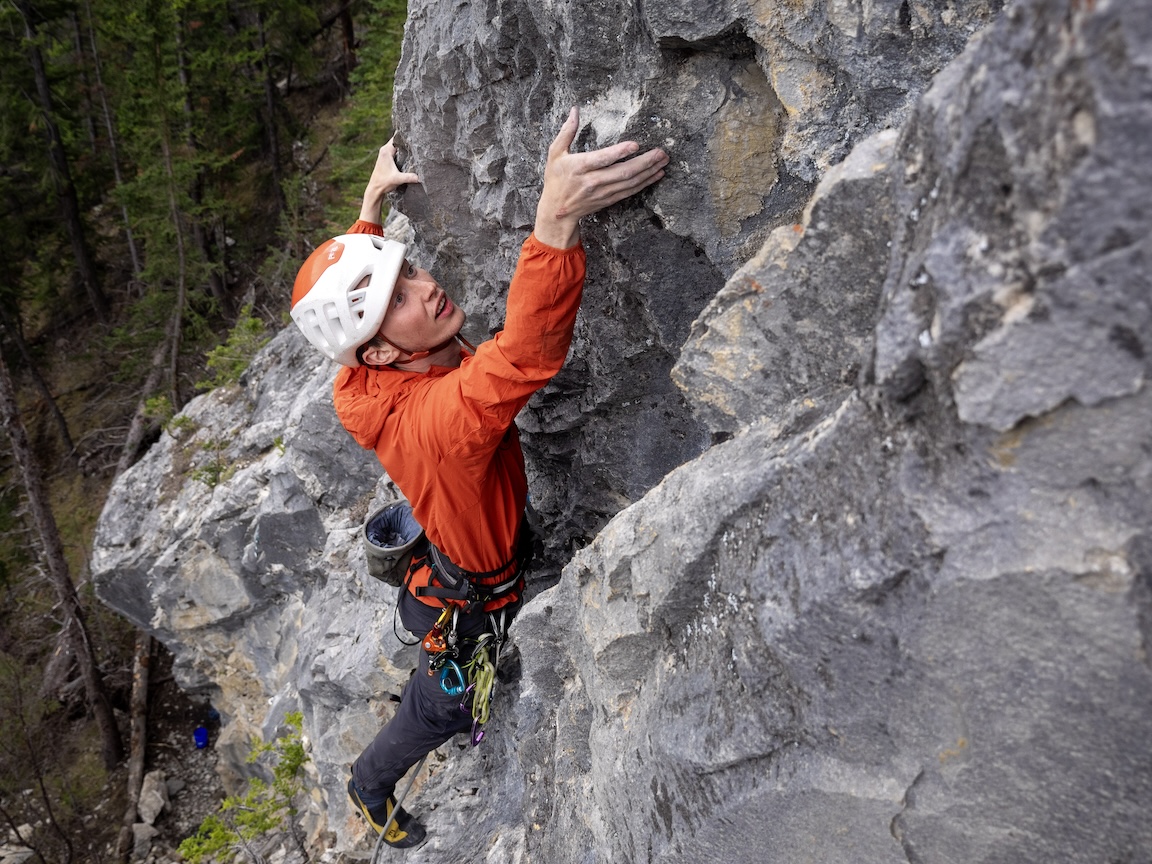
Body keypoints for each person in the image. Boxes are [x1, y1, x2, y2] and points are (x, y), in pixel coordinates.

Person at [291, 107, 668, 848]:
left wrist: (367, 221)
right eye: (397, 299)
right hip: (471, 606)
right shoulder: (440, 425)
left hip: (456, 560)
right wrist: (554, 222)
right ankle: (368, 784)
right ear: (379, 355)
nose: (426, 290)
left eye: (411, 274)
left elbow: (364, 326)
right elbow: (523, 354)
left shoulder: (358, 387)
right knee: (445, 709)